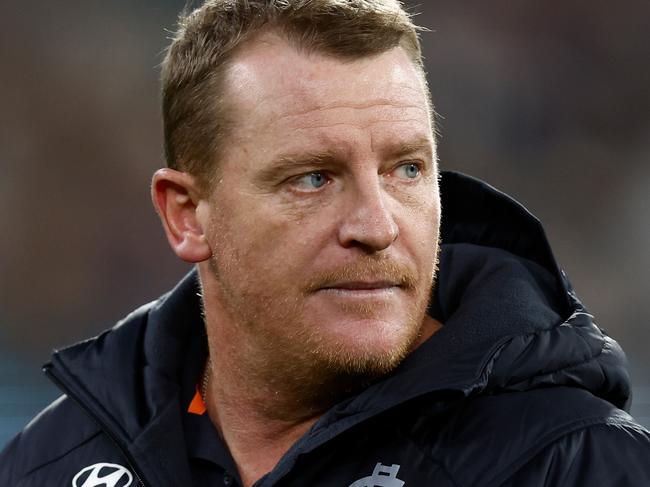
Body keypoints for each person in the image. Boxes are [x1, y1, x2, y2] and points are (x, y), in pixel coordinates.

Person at [2, 1, 649, 485]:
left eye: (406, 169)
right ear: (187, 215)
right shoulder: (51, 462)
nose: (376, 224)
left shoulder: (575, 463)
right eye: (314, 177)